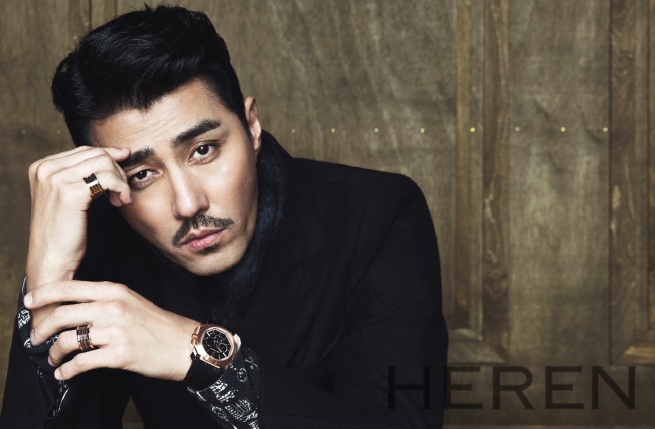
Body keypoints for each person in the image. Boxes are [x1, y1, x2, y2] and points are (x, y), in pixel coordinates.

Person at [0, 4, 447, 428]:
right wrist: (46, 283)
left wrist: (196, 354)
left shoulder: (378, 213)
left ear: (251, 126)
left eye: (203, 150)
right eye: (142, 174)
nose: (188, 204)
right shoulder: (102, 238)